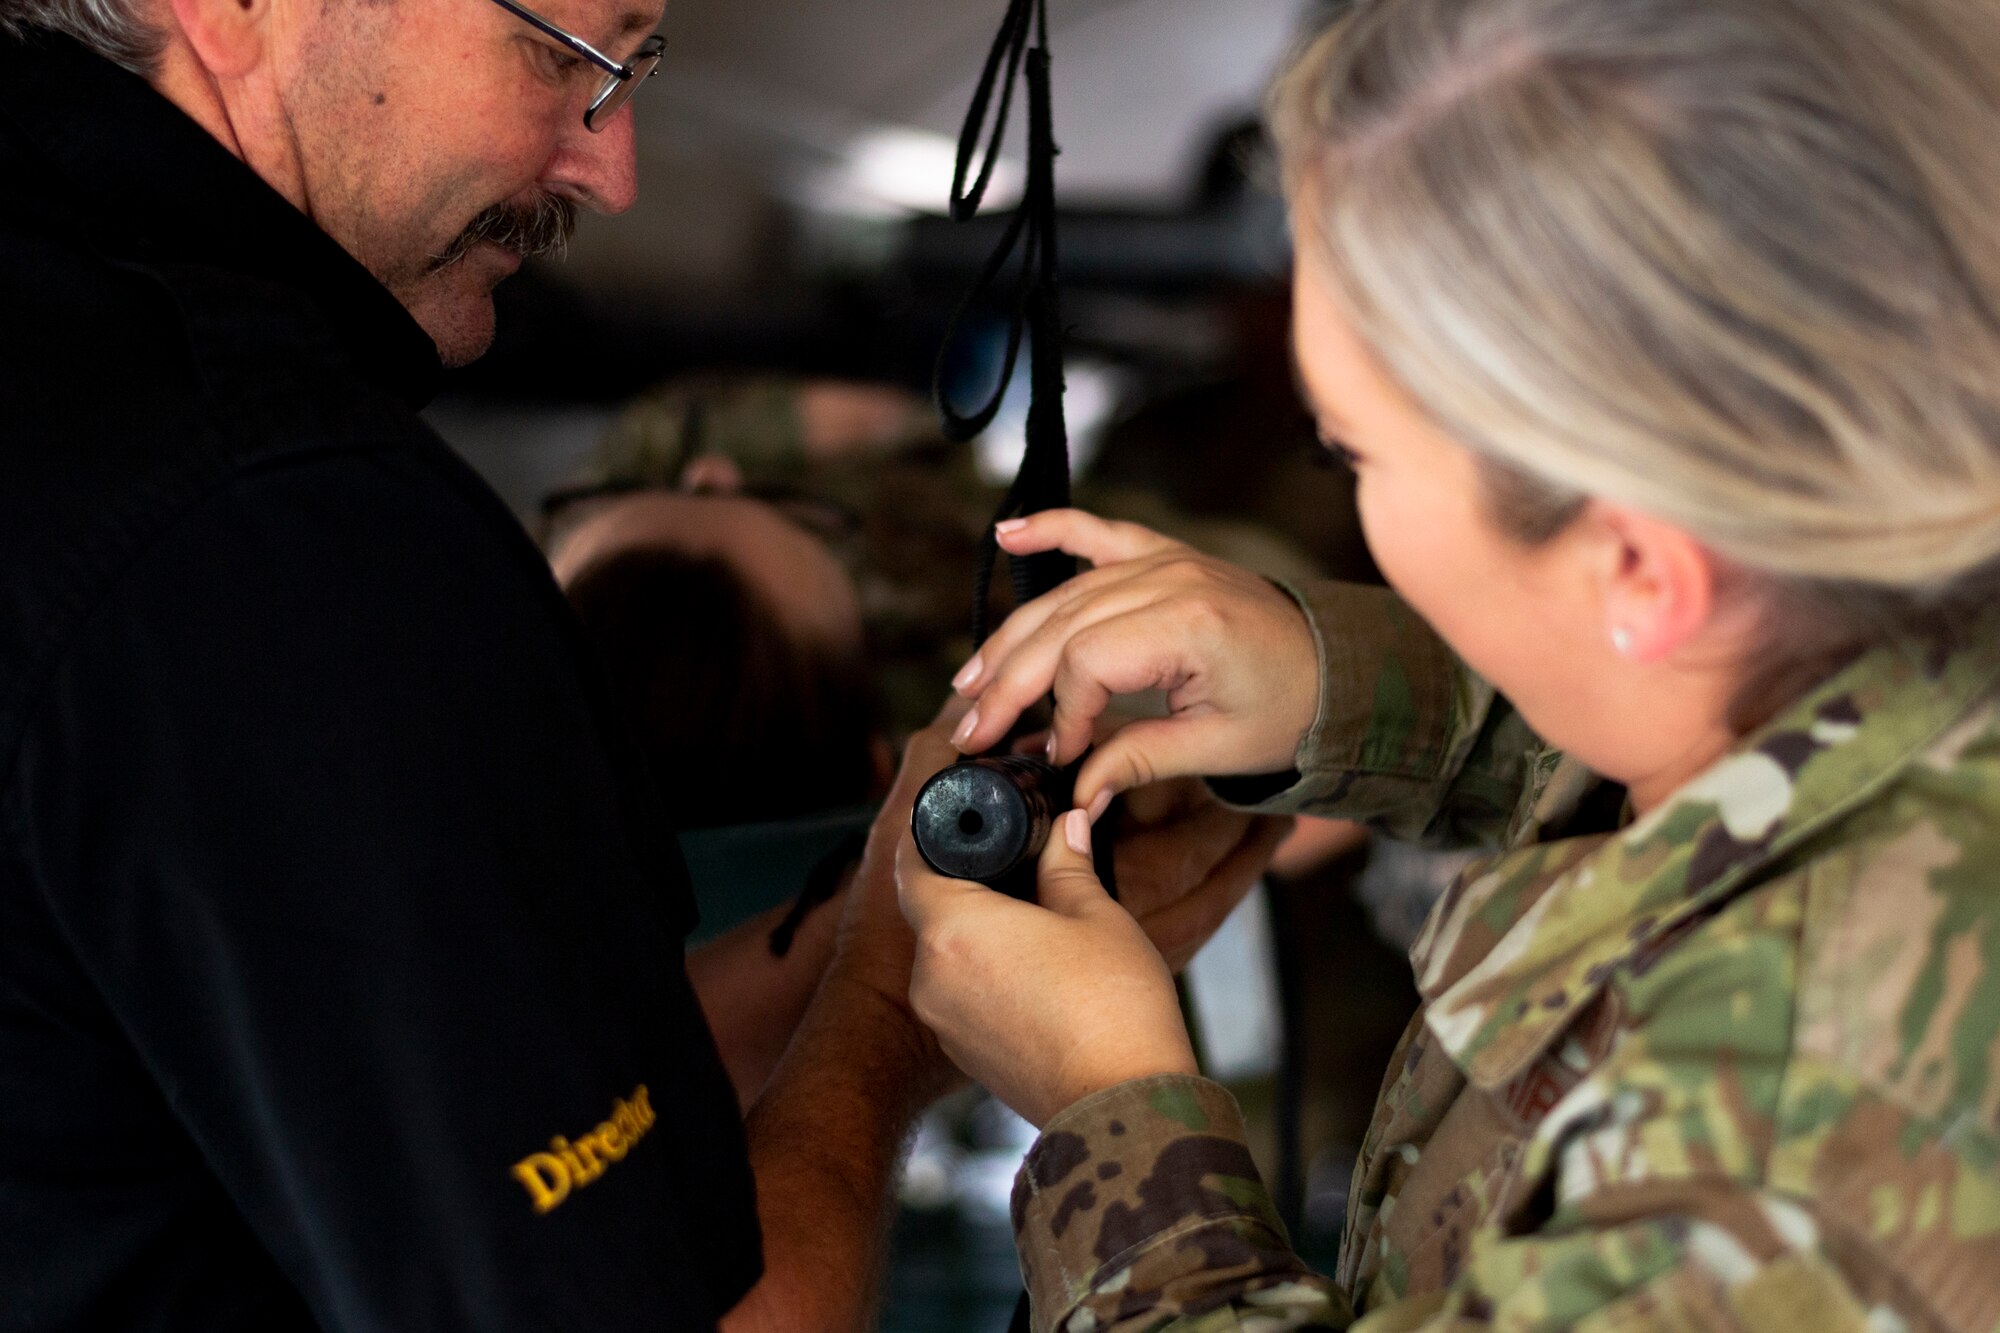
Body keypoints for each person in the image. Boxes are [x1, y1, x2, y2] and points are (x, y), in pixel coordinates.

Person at [0, 1, 1280, 1329]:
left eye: (636, 70)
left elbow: (459, 1076)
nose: (612, 173)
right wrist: (887, 1011)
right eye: (565, 58)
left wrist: (872, 921)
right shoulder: (279, 533)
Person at [898, 0, 2000, 1329]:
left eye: (1355, 453)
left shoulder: (1783, 1141)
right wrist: (1336, 686)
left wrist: (1106, 1116)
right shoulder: (1897, 634)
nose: (1349, 489)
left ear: (1639, 567)